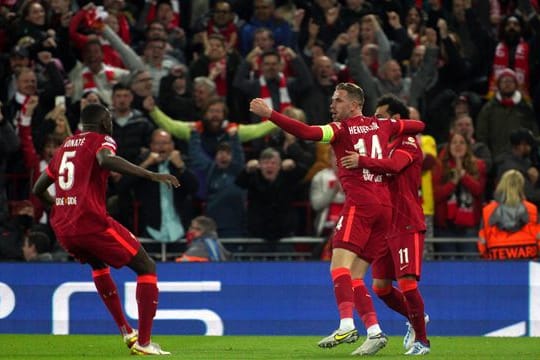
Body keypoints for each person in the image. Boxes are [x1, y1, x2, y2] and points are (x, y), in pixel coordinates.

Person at [250, 82, 425, 356]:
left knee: (337, 267)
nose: (333, 105)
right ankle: (375, 332)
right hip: (385, 209)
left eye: (339, 100)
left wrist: (270, 114)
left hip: (361, 205)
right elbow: (419, 125)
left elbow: (306, 132)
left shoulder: (340, 130)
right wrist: (394, 124)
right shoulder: (383, 126)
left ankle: (345, 324)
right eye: (333, 100)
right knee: (356, 276)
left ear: (355, 105)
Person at [32, 103, 178, 355]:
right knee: (146, 267)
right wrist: (150, 175)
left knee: (99, 266)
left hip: (65, 227)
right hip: (90, 222)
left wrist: (60, 206)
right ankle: (144, 343)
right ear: (103, 123)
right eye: (109, 119)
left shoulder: (65, 146)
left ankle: (126, 331)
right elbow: (104, 159)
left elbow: (37, 189)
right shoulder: (103, 140)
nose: (110, 123)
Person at [340, 94, 430, 355]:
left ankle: (422, 342)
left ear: (396, 119)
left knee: (408, 284)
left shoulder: (408, 142)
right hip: (385, 225)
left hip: (406, 222)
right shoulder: (377, 144)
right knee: (380, 287)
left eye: (380, 116)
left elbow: (393, 166)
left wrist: (362, 161)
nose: (375, 121)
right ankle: (417, 318)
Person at [478, 169, 540, 260]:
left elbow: (482, 244)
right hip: (527, 260)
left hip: (497, 260)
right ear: (521, 186)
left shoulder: (488, 211)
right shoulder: (532, 209)